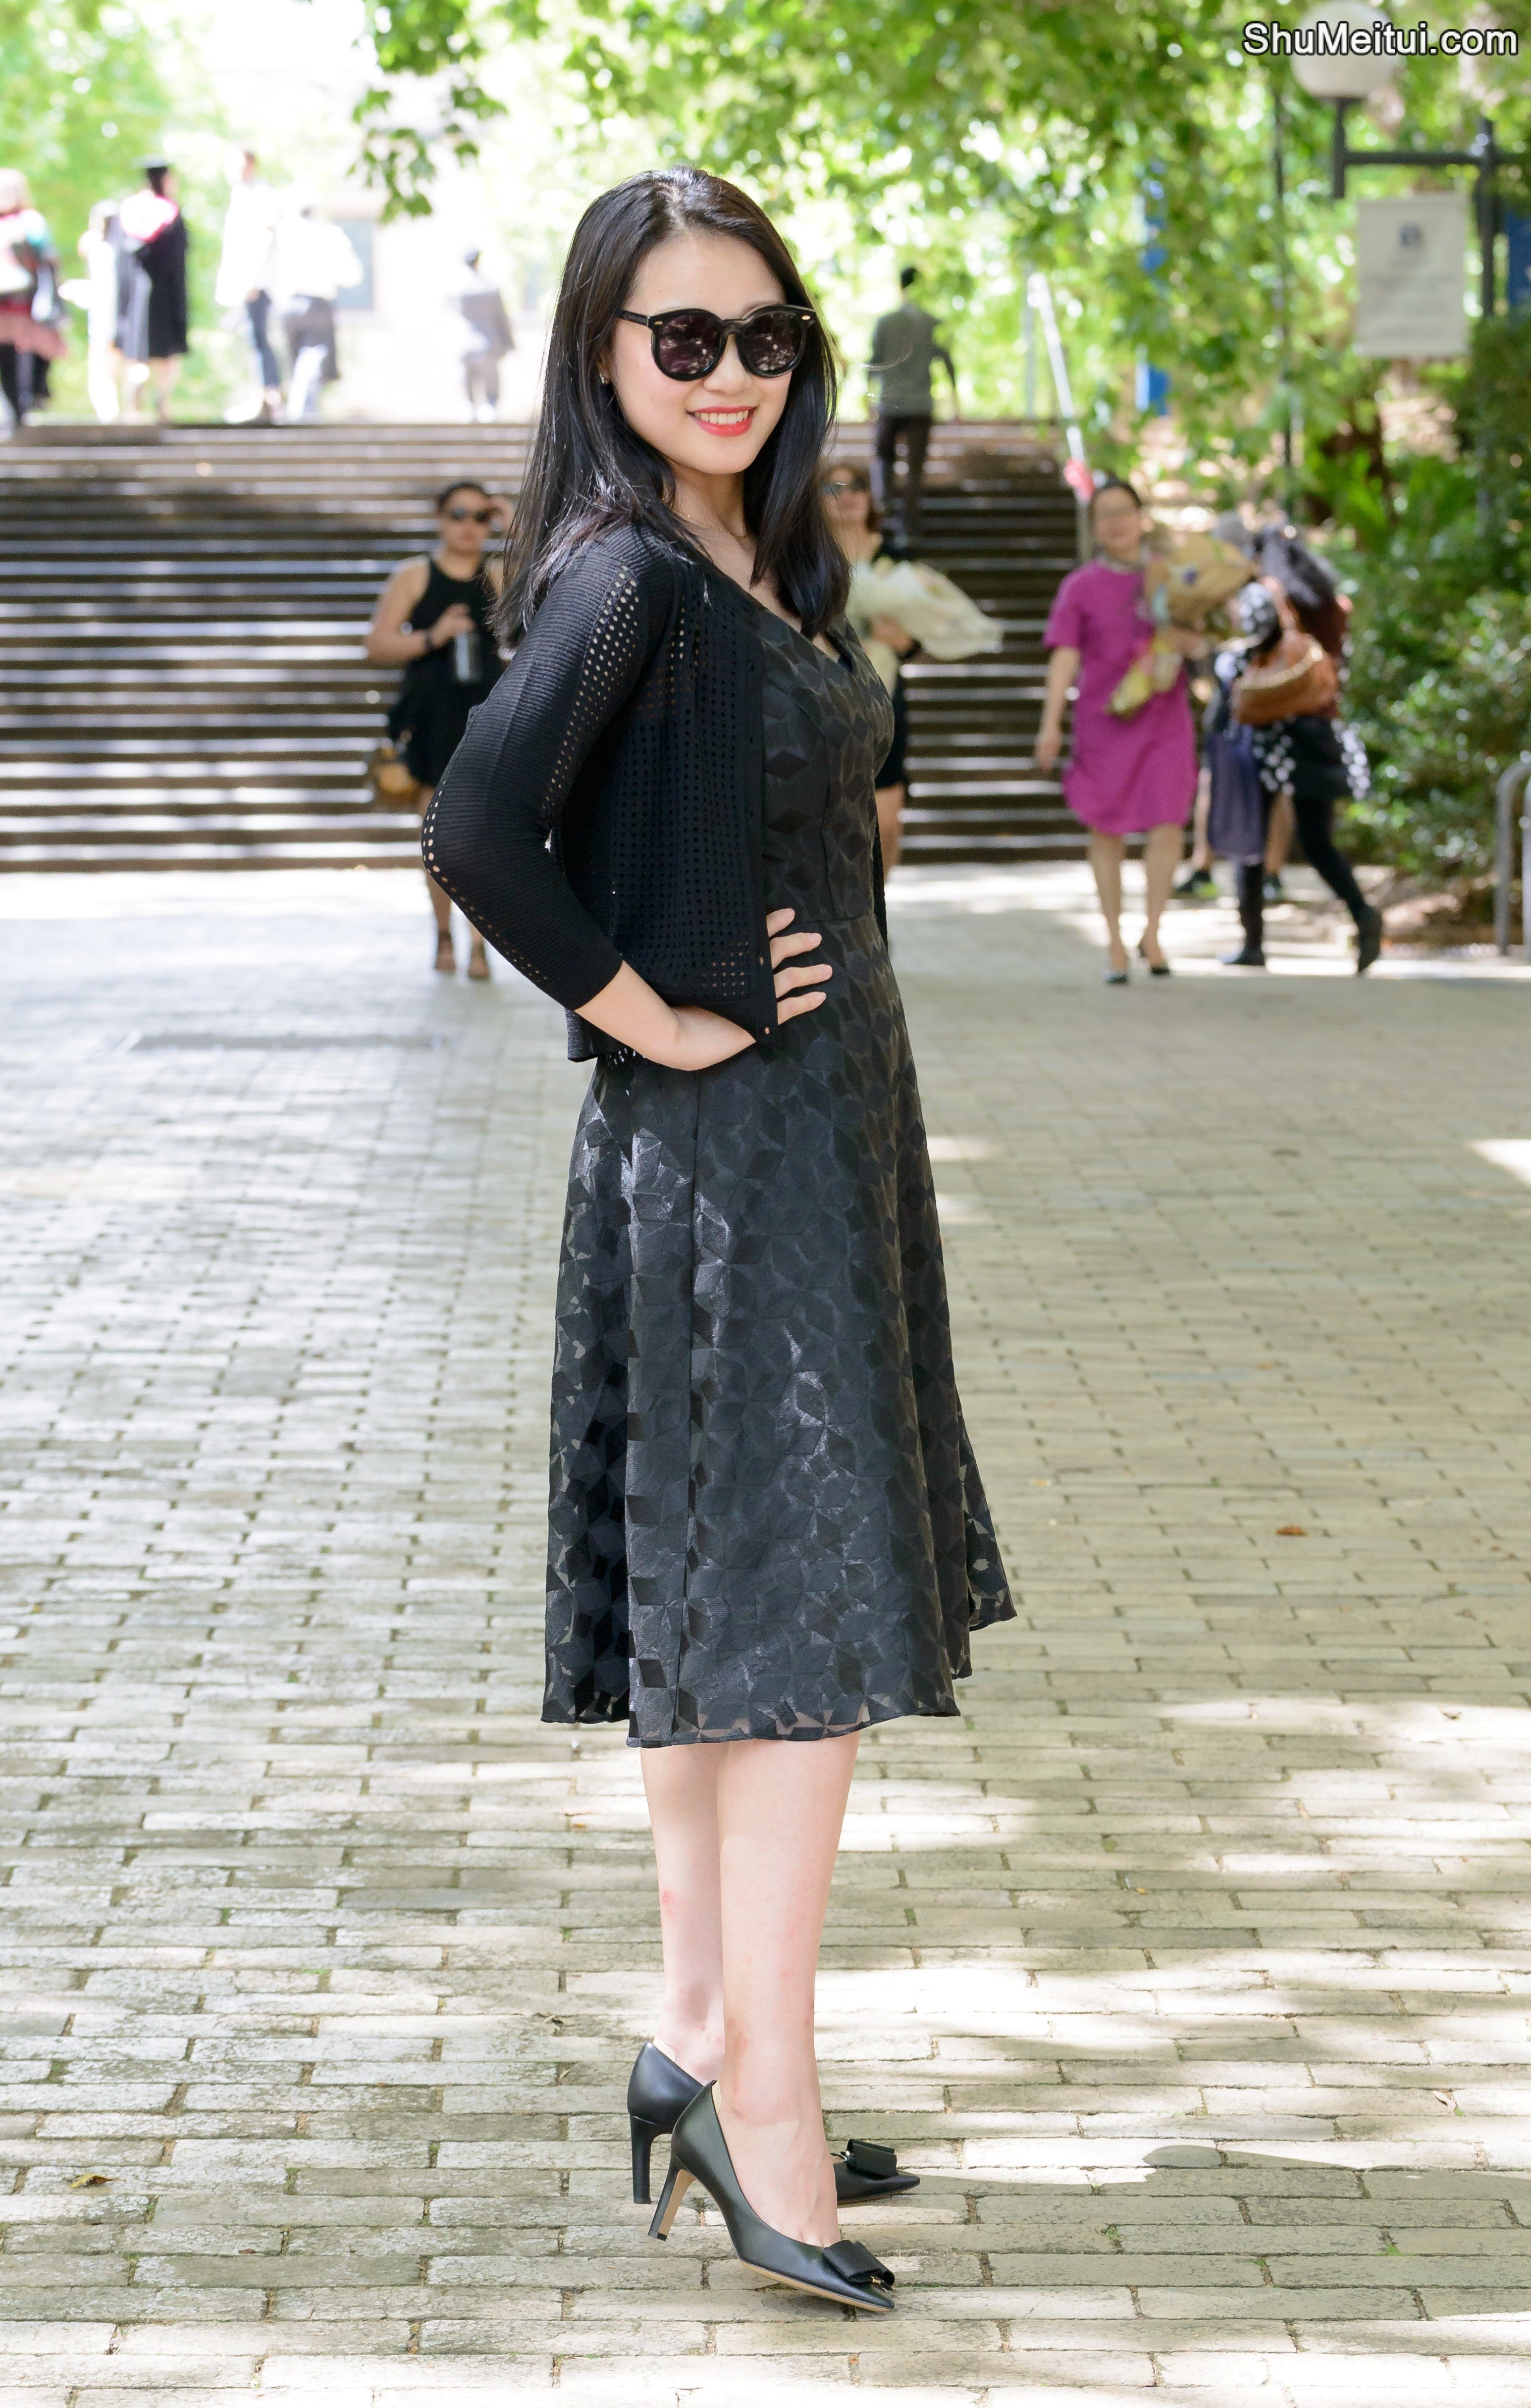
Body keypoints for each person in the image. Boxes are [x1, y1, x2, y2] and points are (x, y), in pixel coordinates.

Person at [423, 166, 1013, 2312]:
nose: (730, 372)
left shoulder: (749, 556)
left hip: (809, 1143)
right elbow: (480, 820)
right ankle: (767, 2100)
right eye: (683, 338)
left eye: (765, 336)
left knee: (723, 1616)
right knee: (795, 1636)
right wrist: (654, 1006)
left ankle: (691, 2033)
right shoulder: (623, 577)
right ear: (603, 355)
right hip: (731, 1157)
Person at [1035, 477, 1198, 981]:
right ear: (1094, 525)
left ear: (1141, 516)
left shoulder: (1170, 576)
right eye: (1104, 514)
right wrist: (1050, 723)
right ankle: (1114, 943)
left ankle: (1153, 932)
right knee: (1106, 828)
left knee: (1168, 822)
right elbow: (1065, 657)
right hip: (1104, 723)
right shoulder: (1080, 587)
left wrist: (1189, 638)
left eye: (1123, 511)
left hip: (1165, 717)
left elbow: (1201, 638)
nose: (1115, 522)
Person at [365, 480, 507, 977]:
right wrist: (434, 636)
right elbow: (377, 645)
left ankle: (479, 945)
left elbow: (553, 580)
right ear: (440, 519)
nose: (469, 526)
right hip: (431, 717)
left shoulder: (500, 572)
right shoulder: (415, 575)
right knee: (436, 837)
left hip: (486, 715)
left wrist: (514, 522)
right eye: (458, 514)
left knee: (484, 836)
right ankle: (444, 934)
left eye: (481, 516)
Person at [1220, 584, 1384, 973]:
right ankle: (1361, 914)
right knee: (1311, 842)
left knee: (1261, 844)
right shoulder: (1295, 632)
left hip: (1276, 744)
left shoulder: (1270, 631)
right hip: (1304, 743)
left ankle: (1254, 942)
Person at [821, 460, 914, 868]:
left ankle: (882, 900)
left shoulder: (895, 559)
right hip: (825, 695)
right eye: (832, 488)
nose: (846, 496)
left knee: (887, 822)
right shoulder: (809, 558)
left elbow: (920, 638)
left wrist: (899, 636)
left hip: (884, 695)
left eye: (856, 486)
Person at [866, 266, 956, 541]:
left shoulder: (885, 323)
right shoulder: (934, 323)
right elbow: (948, 363)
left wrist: (867, 398)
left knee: (884, 459)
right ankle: (909, 525)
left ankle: (884, 516)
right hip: (920, 405)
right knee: (915, 468)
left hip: (890, 403)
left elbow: (874, 362)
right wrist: (956, 401)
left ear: (900, 286)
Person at [271, 200, 362, 421]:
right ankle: (301, 414)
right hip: (317, 304)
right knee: (312, 358)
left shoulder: (283, 233)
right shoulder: (330, 235)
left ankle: (299, 411)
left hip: (287, 305)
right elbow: (352, 275)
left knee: (297, 362)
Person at [116, 159, 188, 423]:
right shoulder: (169, 213)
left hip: (135, 297)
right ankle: (162, 402)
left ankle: (134, 404)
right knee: (167, 353)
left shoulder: (129, 211)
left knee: (137, 352)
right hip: (166, 295)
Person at [217, 150, 282, 424]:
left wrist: (252, 280)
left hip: (256, 284)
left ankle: (268, 398)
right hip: (244, 283)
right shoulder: (241, 196)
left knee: (259, 339)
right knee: (253, 339)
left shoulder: (260, 195)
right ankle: (262, 397)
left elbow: (267, 236)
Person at [0, 171, 68, 429]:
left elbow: (48, 257)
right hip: (5, 309)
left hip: (27, 306)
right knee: (8, 362)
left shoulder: (29, 222)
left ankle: (25, 408)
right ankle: (16, 414)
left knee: (29, 357)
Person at [453, 249, 514, 421]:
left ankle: (470, 406)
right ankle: (489, 407)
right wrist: (510, 342)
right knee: (491, 385)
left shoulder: (456, 289)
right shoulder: (490, 288)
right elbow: (501, 318)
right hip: (488, 343)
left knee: (468, 380)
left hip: (464, 343)